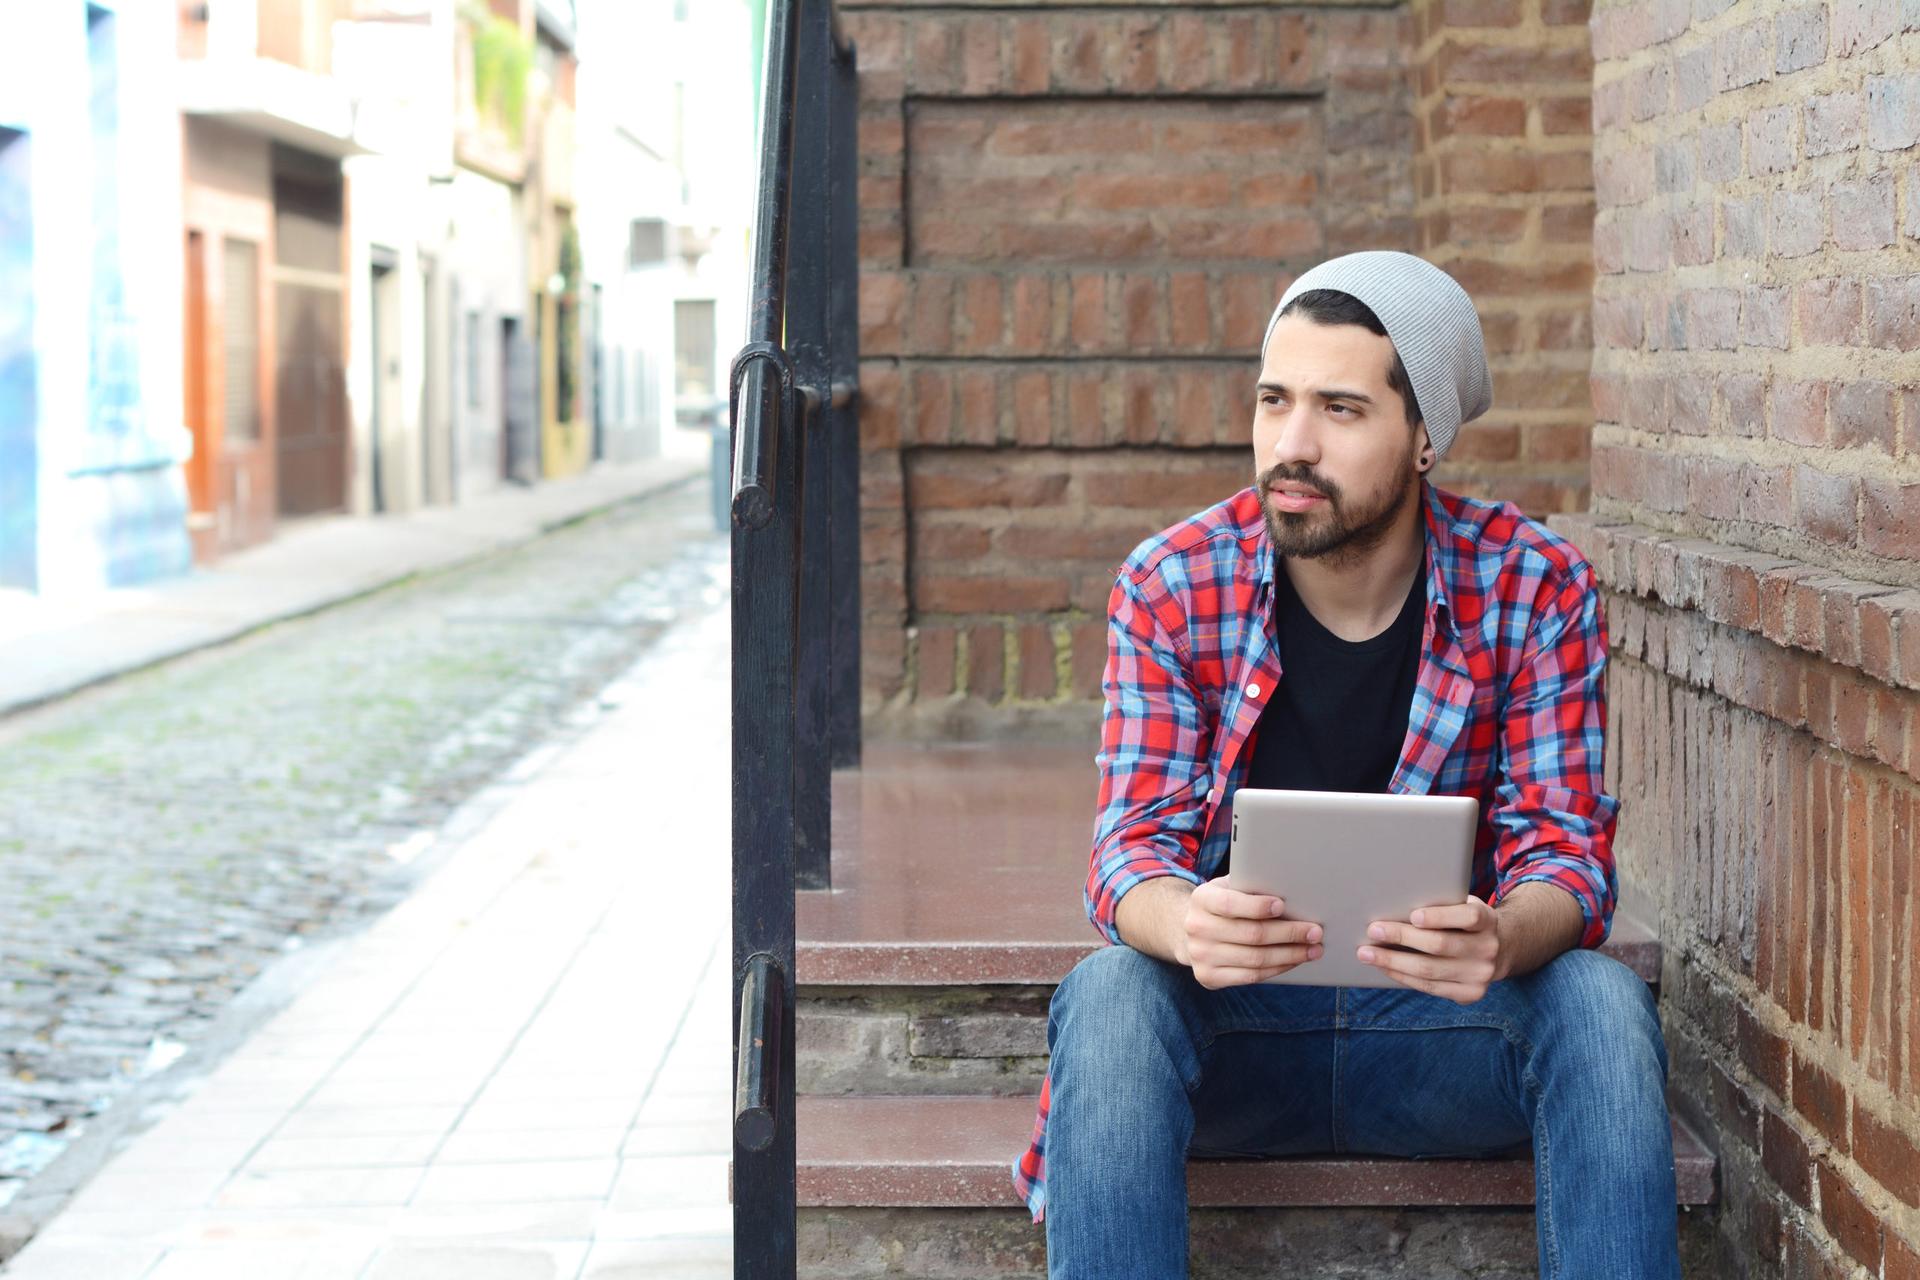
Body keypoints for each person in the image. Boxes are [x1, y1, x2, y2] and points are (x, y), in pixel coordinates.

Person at [1010, 250, 1680, 1279]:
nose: (1292, 443)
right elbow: (1126, 853)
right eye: (1274, 400)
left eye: (1340, 408)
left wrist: (1500, 936)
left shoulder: (1536, 585)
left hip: (1442, 1033)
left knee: (1596, 998)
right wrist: (1187, 920)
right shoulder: (1173, 582)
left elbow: (1569, 858)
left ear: (1424, 438)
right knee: (1111, 993)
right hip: (1234, 1037)